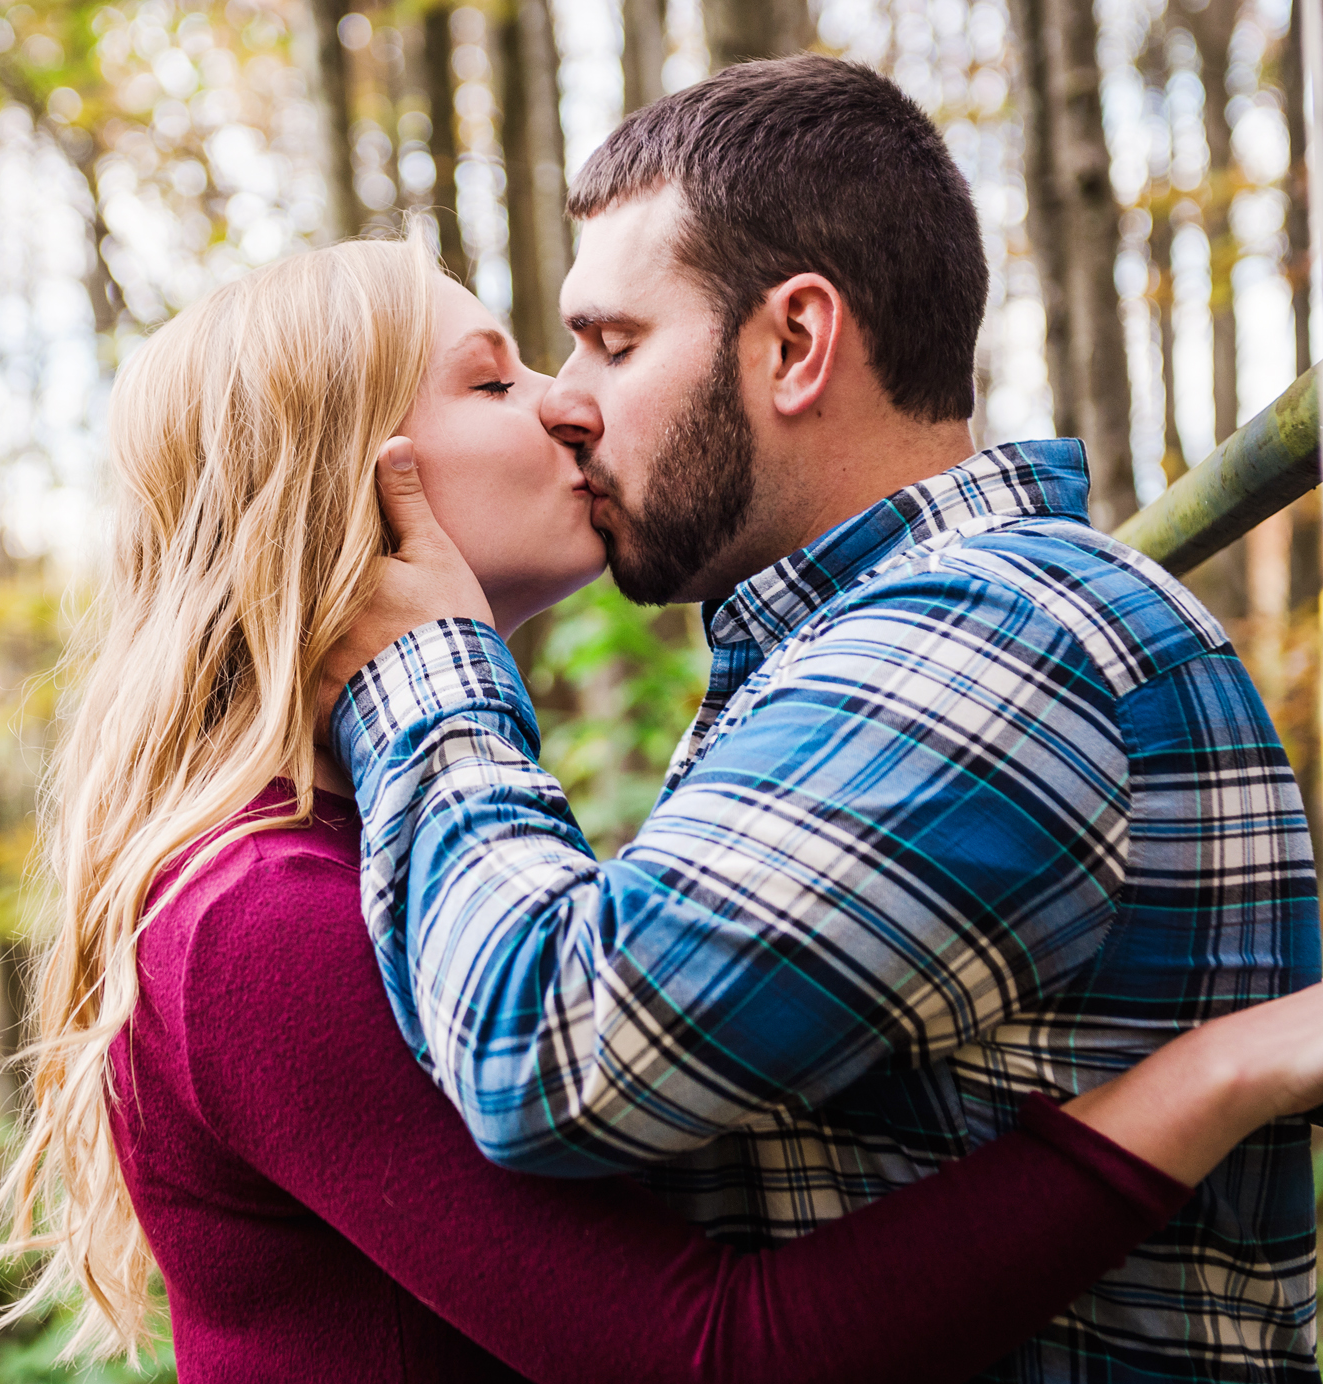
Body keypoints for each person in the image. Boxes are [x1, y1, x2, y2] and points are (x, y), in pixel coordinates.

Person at [0, 234, 1323, 1384]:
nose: (568, 407)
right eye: (493, 379)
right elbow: (724, 1358)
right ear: (350, 472)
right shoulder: (263, 920)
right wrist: (1209, 1079)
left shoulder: (380, 861)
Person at [326, 57, 1320, 1384]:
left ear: (796, 343)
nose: (568, 400)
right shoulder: (854, 654)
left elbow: (545, 1051)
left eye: (614, 344)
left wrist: (427, 669)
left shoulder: (995, 635)